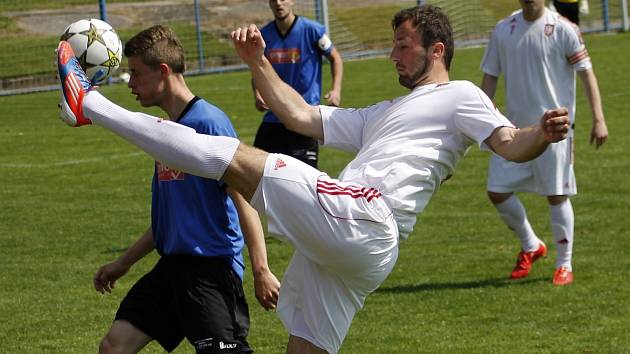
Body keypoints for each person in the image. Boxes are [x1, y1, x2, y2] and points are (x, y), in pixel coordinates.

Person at [57, 5, 570, 353]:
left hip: (362, 216)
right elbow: (300, 115)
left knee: (233, 157)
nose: (393, 53)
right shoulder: (384, 112)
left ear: (437, 49)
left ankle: (92, 104)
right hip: (360, 248)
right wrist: (258, 63)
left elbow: (508, 142)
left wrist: (540, 134)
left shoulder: (459, 94)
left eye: (403, 45)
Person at [87, 25, 280, 353]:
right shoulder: (166, 131)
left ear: (163, 72)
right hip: (172, 268)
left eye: (135, 73)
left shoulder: (208, 124)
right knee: (114, 346)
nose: (130, 84)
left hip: (211, 271)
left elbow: (244, 199)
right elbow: (172, 215)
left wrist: (261, 268)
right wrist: (124, 262)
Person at [480, 0, 608, 286]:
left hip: (555, 130)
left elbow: (586, 73)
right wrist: (482, 122)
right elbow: (489, 78)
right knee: (497, 192)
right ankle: (531, 245)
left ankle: (564, 264)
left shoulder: (564, 28)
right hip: (513, 132)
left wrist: (598, 119)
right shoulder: (503, 29)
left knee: (556, 195)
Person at [251, 0, 343, 167]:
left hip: (304, 116)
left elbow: (335, 57)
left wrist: (336, 90)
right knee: (255, 174)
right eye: (274, 0)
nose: (279, 3)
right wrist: (257, 95)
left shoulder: (312, 30)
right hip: (274, 117)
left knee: (306, 183)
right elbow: (256, 67)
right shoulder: (264, 35)